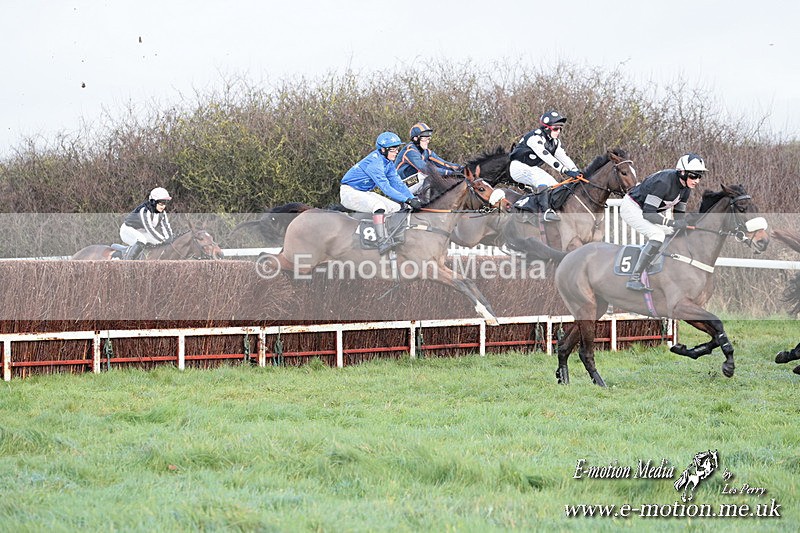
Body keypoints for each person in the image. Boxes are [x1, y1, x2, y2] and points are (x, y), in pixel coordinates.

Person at [620, 153, 707, 291]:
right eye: (694, 175)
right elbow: (649, 213)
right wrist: (672, 223)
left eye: (699, 176)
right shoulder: (664, 182)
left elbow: (678, 215)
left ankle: (657, 270)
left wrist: (683, 225)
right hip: (632, 207)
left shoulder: (686, 188)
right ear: (682, 172)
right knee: (658, 235)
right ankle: (634, 278)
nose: (697, 180)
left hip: (646, 210)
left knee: (674, 232)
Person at [340, 131, 422, 254]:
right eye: (393, 149)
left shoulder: (387, 162)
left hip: (363, 191)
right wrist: (408, 200)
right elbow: (386, 188)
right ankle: (382, 242)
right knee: (379, 207)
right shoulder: (375, 164)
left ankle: (395, 237)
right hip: (349, 193)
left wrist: (412, 198)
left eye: (397, 149)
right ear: (383, 150)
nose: (396, 152)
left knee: (395, 207)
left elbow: (397, 183)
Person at [509, 110, 582, 222]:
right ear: (547, 128)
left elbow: (563, 157)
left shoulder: (554, 142)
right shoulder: (535, 138)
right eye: (556, 129)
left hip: (531, 168)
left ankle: (549, 210)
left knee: (555, 185)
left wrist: (576, 171)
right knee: (543, 180)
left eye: (560, 129)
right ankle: (545, 212)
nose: (559, 131)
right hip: (517, 167)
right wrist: (565, 171)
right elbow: (546, 156)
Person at [395, 122, 462, 194]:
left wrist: (461, 168)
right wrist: (449, 173)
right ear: (415, 138)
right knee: (425, 175)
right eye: (425, 138)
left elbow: (443, 163)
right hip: (400, 186)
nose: (427, 141)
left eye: (428, 138)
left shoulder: (426, 152)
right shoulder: (410, 152)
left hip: (412, 183)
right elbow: (425, 169)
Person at [119, 187, 174, 260]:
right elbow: (150, 229)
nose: (163, 206)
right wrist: (163, 240)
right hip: (128, 230)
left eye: (165, 203)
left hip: (142, 232)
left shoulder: (162, 213)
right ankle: (127, 262)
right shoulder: (144, 211)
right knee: (142, 240)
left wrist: (171, 239)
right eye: (161, 203)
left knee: (158, 243)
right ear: (153, 202)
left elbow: (166, 226)